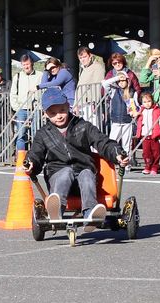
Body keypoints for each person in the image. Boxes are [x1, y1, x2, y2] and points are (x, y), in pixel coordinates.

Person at [24, 86, 129, 231]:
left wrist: (117, 153)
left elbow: (102, 142)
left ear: (68, 106)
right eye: (53, 113)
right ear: (45, 114)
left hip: (83, 172)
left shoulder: (84, 126)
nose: (59, 116)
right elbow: (36, 153)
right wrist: (31, 163)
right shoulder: (43, 134)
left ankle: (90, 214)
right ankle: (56, 213)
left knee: (86, 174)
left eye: (62, 110)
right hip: (58, 174)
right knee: (65, 173)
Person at [101, 67, 138, 160]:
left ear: (127, 80)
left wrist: (135, 112)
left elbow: (136, 106)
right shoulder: (114, 91)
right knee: (112, 142)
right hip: (116, 121)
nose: (121, 82)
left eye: (123, 80)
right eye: (119, 81)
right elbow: (105, 83)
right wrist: (118, 77)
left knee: (126, 144)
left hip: (128, 121)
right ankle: (112, 161)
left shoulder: (132, 92)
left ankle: (126, 165)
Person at [136, 91, 160, 175]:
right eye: (145, 102)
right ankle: (147, 166)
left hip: (154, 135)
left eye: (149, 101)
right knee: (146, 153)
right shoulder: (141, 111)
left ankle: (155, 167)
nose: (147, 104)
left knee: (156, 152)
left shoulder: (157, 110)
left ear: (152, 101)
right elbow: (137, 120)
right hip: (145, 135)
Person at [10, 55, 36, 152]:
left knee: (36, 134)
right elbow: (13, 94)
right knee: (21, 135)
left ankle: (35, 157)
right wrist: (16, 108)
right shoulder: (17, 76)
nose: (26, 66)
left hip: (36, 109)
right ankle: (21, 160)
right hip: (22, 109)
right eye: (24, 64)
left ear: (32, 63)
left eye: (27, 64)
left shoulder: (40, 75)